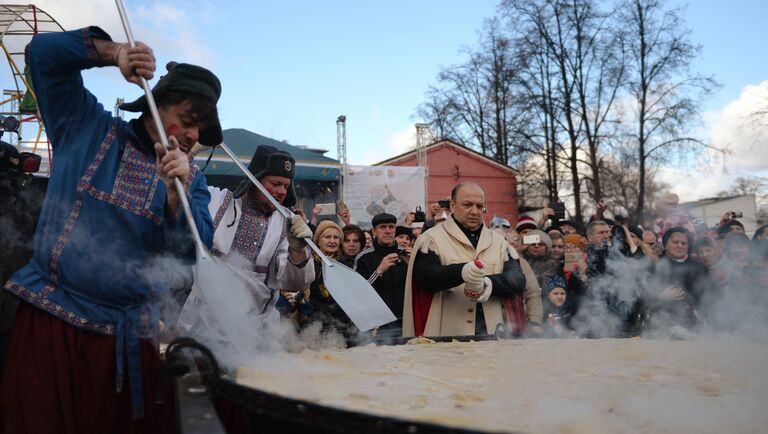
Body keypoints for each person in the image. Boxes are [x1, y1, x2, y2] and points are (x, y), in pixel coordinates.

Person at [1, 27, 218, 433]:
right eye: (188, 121)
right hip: (52, 324)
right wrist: (113, 52)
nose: (193, 137)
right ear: (155, 106)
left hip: (126, 339)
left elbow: (192, 255)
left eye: (201, 132)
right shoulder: (86, 127)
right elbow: (41, 55)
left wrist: (177, 200)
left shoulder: (194, 184)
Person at [177, 145, 315, 336]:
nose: (282, 192)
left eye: (285, 186)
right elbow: (178, 186)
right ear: (255, 179)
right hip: (202, 325)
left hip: (255, 332)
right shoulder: (217, 200)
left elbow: (295, 284)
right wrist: (189, 153)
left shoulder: (287, 224)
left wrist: (298, 250)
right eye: (275, 184)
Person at [402, 182, 542, 337]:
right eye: (468, 205)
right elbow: (425, 276)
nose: (475, 211)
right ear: (453, 205)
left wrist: (488, 283)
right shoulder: (430, 239)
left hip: (494, 335)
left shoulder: (499, 242)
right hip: (446, 337)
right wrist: (462, 272)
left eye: (480, 206)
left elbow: (517, 279)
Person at [354, 213, 409, 337]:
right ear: (374, 231)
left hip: (406, 320)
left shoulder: (406, 254)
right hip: (379, 324)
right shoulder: (363, 258)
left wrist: (413, 265)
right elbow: (358, 294)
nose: (388, 231)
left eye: (391, 227)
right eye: (383, 227)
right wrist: (379, 271)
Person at [305, 220, 356, 337]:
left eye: (336, 238)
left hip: (343, 325)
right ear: (318, 241)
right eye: (327, 237)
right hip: (314, 324)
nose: (332, 241)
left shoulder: (347, 265)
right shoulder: (308, 263)